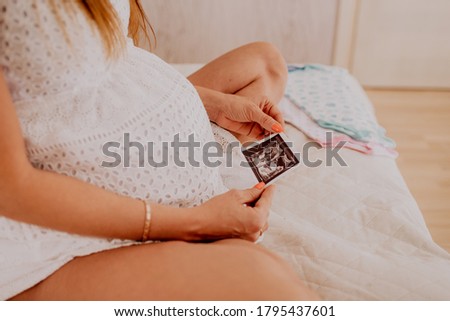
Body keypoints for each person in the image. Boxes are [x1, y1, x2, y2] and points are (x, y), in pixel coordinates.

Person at [0, 0, 318, 300]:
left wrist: (204, 103)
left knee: (265, 61)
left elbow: (104, 64)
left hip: (123, 141)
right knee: (267, 282)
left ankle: (222, 151)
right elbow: (12, 189)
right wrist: (198, 223)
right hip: (59, 210)